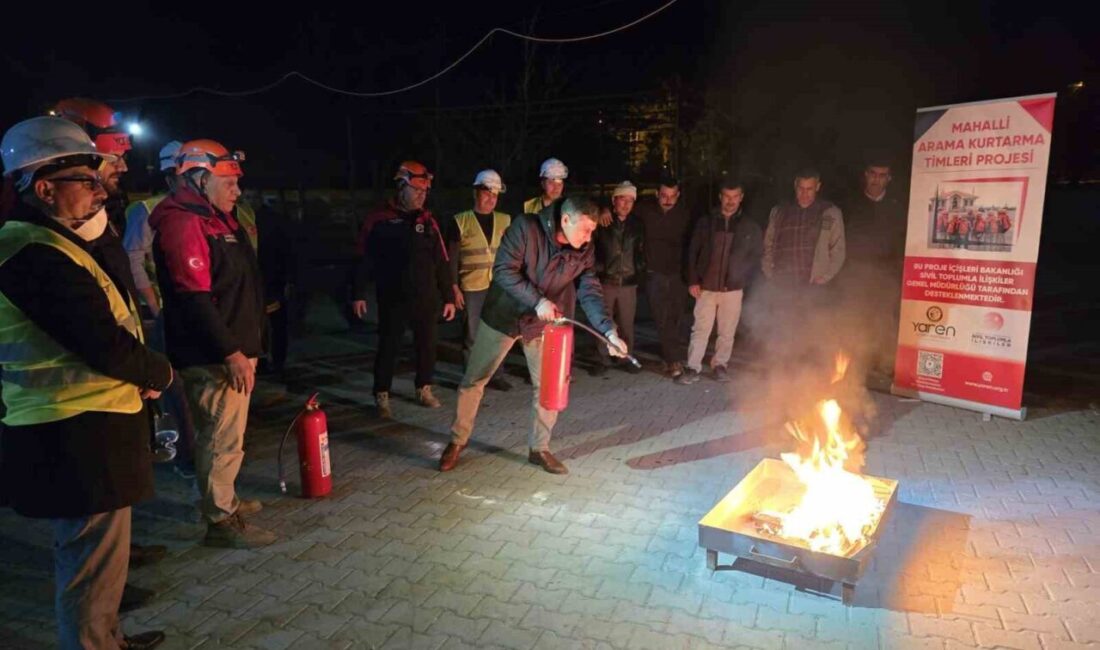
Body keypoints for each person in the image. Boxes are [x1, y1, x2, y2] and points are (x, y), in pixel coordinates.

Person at [0, 115, 170, 649]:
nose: (99, 191)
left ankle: (107, 637)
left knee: (96, 557)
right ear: (43, 188)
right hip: (72, 435)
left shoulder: (49, 243)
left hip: (81, 429)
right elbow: (99, 341)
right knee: (89, 562)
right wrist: (159, 372)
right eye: (86, 181)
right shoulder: (33, 254)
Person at [439, 196, 628, 475]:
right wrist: (537, 301)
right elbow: (503, 270)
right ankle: (458, 440)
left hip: (542, 323)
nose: (590, 237)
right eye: (586, 229)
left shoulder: (584, 249)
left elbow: (590, 290)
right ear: (566, 220)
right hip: (504, 315)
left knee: (548, 385)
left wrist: (608, 331)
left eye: (593, 231)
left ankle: (539, 448)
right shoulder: (526, 228)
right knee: (475, 379)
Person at [149, 139, 273, 548]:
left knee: (222, 435)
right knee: (221, 437)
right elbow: (194, 298)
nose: (238, 191)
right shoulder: (184, 223)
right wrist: (232, 352)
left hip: (233, 349)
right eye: (229, 183)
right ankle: (220, 521)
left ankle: (225, 499)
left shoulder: (216, 217)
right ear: (200, 179)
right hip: (215, 356)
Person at [351, 161, 456, 418]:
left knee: (427, 345)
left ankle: (424, 388)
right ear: (401, 188)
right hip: (392, 298)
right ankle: (381, 393)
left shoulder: (428, 222)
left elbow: (442, 261)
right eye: (416, 190)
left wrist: (449, 297)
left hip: (425, 297)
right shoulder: (379, 220)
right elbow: (363, 259)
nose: (422, 195)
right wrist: (358, 293)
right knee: (389, 346)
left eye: (424, 192)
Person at [677, 178, 762, 385]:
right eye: (726, 196)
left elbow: (756, 257)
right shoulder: (706, 222)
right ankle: (693, 367)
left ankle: (720, 365)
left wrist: (743, 280)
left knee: (727, 331)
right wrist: (693, 280)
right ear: (720, 197)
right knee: (700, 329)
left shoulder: (749, 226)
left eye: (735, 197)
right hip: (705, 287)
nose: (730, 201)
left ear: (741, 198)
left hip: (733, 289)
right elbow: (692, 251)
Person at [447, 170, 513, 391]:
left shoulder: (505, 220)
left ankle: (497, 375)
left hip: (498, 287)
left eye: (495, 194)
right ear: (476, 192)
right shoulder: (460, 221)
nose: (491, 198)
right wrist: (454, 288)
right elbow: (452, 258)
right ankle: (473, 379)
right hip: (471, 287)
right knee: (472, 336)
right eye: (487, 193)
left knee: (499, 333)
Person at [634, 177, 692, 378]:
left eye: (672, 196)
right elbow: (622, 208)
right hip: (654, 273)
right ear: (657, 194)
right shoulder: (645, 210)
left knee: (676, 317)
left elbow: (694, 243)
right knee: (662, 318)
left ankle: (671, 356)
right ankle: (673, 361)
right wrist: (606, 210)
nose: (668, 200)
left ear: (678, 195)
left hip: (677, 274)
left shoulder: (685, 215)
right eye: (664, 196)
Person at [591, 181, 645, 375]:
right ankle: (602, 359)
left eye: (631, 200)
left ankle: (626, 357)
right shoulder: (604, 221)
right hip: (606, 279)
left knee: (627, 324)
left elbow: (641, 250)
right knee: (602, 321)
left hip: (628, 281)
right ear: (614, 200)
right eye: (623, 199)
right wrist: (598, 269)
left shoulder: (637, 224)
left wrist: (640, 271)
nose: (626, 204)